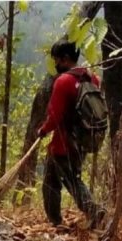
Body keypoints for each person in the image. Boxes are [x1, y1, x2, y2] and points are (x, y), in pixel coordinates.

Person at [37, 39, 106, 229]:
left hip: (64, 143)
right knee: (51, 180)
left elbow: (55, 115)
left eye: (57, 61)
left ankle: (93, 210)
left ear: (66, 59)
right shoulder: (93, 78)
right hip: (83, 140)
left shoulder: (64, 81)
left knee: (71, 181)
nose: (56, 65)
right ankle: (55, 222)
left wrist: (43, 130)